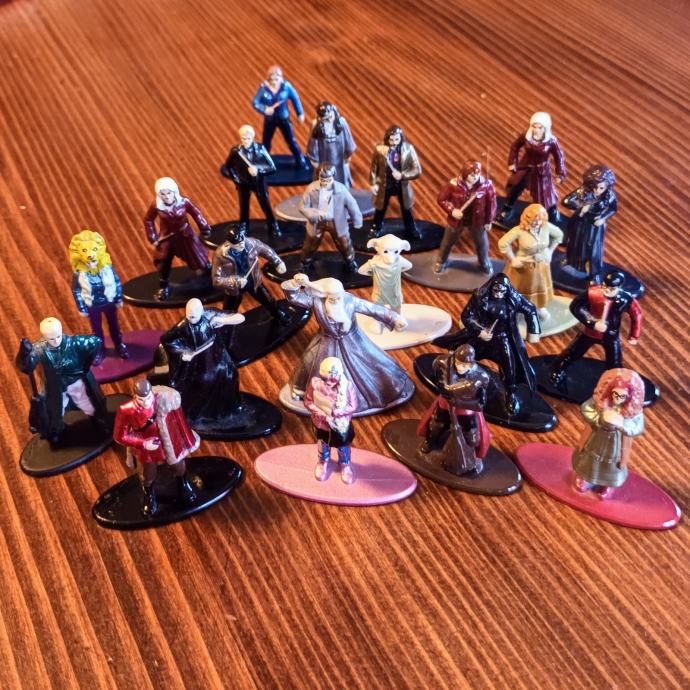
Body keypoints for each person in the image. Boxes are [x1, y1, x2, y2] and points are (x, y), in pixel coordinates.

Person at [281, 275, 412, 413]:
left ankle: (385, 390)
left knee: (371, 361)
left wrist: (395, 318)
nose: (336, 300)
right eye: (332, 298)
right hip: (326, 341)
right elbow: (294, 298)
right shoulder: (316, 301)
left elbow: (372, 309)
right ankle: (303, 391)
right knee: (309, 361)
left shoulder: (350, 301)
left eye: (339, 297)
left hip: (353, 341)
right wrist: (294, 284)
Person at [433, 273, 541, 415]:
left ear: (507, 290)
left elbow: (531, 309)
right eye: (496, 290)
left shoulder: (513, 299)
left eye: (502, 291)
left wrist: (534, 331)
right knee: (461, 357)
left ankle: (511, 394)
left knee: (510, 368)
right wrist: (480, 331)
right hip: (480, 338)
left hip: (503, 339)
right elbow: (467, 316)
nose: (499, 293)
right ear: (491, 288)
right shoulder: (480, 297)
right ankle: (452, 382)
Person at [113, 379, 199, 517]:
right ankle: (148, 493)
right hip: (145, 443)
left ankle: (183, 483)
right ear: (135, 396)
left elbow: (174, 403)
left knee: (178, 465)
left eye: (148, 397)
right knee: (147, 473)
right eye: (142, 399)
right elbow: (119, 436)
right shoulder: (126, 410)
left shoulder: (160, 398)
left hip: (167, 437)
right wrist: (143, 443)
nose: (146, 402)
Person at [16, 317, 107, 446]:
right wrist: (24, 355)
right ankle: (56, 430)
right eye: (51, 338)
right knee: (55, 410)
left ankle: (97, 419)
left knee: (86, 401)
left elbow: (96, 342)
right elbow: (26, 366)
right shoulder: (39, 349)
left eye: (58, 336)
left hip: (75, 382)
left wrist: (86, 364)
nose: (55, 341)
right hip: (55, 387)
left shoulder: (73, 343)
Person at [159, 299, 245, 428]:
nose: (191, 318)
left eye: (194, 315)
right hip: (198, 360)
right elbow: (166, 339)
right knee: (204, 382)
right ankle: (196, 415)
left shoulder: (209, 314)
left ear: (201, 311)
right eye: (189, 315)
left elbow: (240, 317)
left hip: (217, 354)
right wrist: (183, 353)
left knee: (230, 375)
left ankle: (227, 409)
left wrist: (222, 320)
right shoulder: (183, 326)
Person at [549, 271, 642, 386]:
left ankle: (613, 381)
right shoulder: (593, 293)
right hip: (590, 332)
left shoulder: (625, 299)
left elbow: (636, 314)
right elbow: (576, 306)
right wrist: (592, 322)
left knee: (614, 362)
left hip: (611, 335)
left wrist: (634, 335)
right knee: (573, 352)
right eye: (604, 286)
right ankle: (557, 369)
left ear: (619, 287)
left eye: (611, 288)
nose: (606, 290)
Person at [571, 368, 645, 499]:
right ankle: (586, 478)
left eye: (622, 396)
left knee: (612, 464)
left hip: (616, 443)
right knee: (590, 457)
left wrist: (622, 424)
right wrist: (601, 418)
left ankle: (606, 484)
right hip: (597, 437)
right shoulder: (601, 403)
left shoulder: (631, 412)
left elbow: (637, 426)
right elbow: (586, 408)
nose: (618, 399)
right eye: (615, 394)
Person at [418, 345, 491, 476]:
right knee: (437, 426)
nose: (461, 367)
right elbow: (442, 385)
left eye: (465, 365)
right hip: (445, 405)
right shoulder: (444, 364)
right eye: (459, 363)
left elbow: (480, 403)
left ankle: (470, 453)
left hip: (466, 410)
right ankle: (430, 442)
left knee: (471, 435)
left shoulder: (480, 376)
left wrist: (459, 401)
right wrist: (448, 391)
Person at [144, 177, 212, 301]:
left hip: (185, 235)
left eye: (168, 193)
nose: (166, 196)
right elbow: (148, 219)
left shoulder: (184, 202)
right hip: (167, 238)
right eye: (163, 194)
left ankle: (211, 275)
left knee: (199, 257)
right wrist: (152, 236)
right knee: (164, 262)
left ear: (174, 191)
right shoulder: (157, 206)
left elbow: (196, 213)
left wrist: (204, 227)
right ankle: (163, 287)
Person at [69, 229, 129, 364]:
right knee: (96, 329)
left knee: (114, 326)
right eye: (85, 251)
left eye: (94, 250)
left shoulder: (107, 268)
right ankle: (99, 350)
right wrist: (81, 307)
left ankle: (119, 344)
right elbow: (76, 290)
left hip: (109, 301)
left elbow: (116, 281)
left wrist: (119, 298)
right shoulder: (79, 273)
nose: (90, 257)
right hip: (92, 305)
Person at [497, 112, 566, 225]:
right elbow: (515, 146)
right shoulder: (526, 136)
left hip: (540, 172)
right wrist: (512, 162)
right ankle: (506, 209)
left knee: (544, 195)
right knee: (514, 188)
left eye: (540, 127)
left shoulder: (551, 141)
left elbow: (559, 156)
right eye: (534, 126)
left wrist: (561, 173)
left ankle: (551, 213)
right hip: (525, 168)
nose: (536, 130)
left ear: (545, 128)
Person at [497, 204, 563, 321]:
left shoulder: (546, 227)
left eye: (540, 220)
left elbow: (559, 235)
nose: (537, 223)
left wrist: (550, 252)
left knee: (540, 286)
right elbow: (503, 243)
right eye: (534, 220)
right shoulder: (519, 230)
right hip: (524, 266)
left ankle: (539, 307)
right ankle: (514, 308)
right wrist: (513, 259)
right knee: (520, 288)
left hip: (541, 265)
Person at [212, 225, 289, 322]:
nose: (241, 245)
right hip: (233, 287)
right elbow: (216, 281)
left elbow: (266, 250)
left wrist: (277, 262)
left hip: (254, 281)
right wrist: (236, 282)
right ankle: (227, 325)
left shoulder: (252, 243)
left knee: (268, 300)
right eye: (237, 244)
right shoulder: (220, 255)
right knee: (229, 311)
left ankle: (278, 314)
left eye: (242, 242)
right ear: (228, 243)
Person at [435, 160, 497, 275]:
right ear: (465, 174)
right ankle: (441, 261)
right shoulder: (453, 185)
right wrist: (452, 210)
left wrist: (489, 220)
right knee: (448, 241)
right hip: (457, 220)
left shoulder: (486, 186)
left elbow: (491, 204)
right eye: (472, 175)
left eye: (477, 174)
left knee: (481, 243)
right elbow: (442, 199)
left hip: (477, 220)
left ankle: (484, 262)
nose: (475, 177)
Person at [298, 164, 363, 272]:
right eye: (322, 179)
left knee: (344, 243)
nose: (325, 182)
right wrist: (313, 214)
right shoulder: (311, 189)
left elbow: (352, 204)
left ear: (333, 177)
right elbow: (302, 206)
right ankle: (305, 262)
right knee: (311, 243)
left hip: (336, 221)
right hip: (317, 222)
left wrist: (357, 219)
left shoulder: (341, 189)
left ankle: (350, 261)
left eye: (328, 180)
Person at [304, 357, 358, 484]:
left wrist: (338, 412)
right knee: (322, 443)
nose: (328, 382)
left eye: (332, 379)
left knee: (343, 446)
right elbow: (308, 401)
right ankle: (323, 461)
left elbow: (353, 406)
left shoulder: (347, 387)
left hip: (340, 425)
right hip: (321, 423)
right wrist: (319, 412)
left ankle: (345, 464)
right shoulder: (315, 384)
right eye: (324, 378)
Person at [561, 165, 618, 283]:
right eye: (594, 187)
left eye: (601, 188)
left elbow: (613, 209)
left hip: (594, 225)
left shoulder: (609, 195)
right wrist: (581, 205)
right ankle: (571, 261)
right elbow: (565, 202)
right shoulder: (583, 191)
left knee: (593, 248)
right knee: (575, 242)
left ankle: (593, 273)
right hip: (580, 221)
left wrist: (603, 218)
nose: (597, 191)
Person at [222, 125, 281, 236]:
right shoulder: (236, 151)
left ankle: (273, 224)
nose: (246, 141)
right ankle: (244, 225)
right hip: (243, 183)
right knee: (244, 206)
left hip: (259, 183)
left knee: (265, 204)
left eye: (248, 138)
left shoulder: (260, 149)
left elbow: (272, 167)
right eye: (243, 138)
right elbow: (228, 167)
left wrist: (258, 170)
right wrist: (237, 180)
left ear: (253, 138)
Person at [369, 124, 422, 239]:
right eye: (391, 140)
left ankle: (411, 228)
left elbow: (417, 170)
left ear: (401, 138)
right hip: (385, 183)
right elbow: (374, 168)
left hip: (402, 184)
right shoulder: (380, 149)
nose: (394, 143)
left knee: (406, 208)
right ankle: (376, 227)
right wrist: (373, 183)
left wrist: (402, 175)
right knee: (380, 207)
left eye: (397, 139)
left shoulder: (408, 149)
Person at [252, 65, 307, 167]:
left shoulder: (286, 87)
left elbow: (295, 98)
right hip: (270, 120)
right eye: (272, 78)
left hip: (284, 118)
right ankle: (264, 162)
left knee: (291, 140)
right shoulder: (264, 88)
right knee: (266, 142)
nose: (274, 81)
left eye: (277, 78)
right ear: (268, 78)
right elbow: (255, 103)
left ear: (281, 78)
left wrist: (300, 113)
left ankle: (300, 160)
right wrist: (264, 109)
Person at [358, 234, 412, 334]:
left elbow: (409, 265)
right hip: (379, 292)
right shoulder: (374, 263)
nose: (390, 256)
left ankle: (396, 321)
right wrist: (373, 274)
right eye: (386, 252)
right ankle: (377, 323)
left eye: (395, 252)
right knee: (378, 308)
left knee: (396, 307)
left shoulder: (400, 261)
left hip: (394, 292)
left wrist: (397, 271)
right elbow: (361, 270)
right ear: (377, 247)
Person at [306, 101, 356, 186]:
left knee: (341, 176)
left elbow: (348, 138)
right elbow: (313, 143)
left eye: (330, 116)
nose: (328, 120)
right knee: (324, 176)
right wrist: (314, 159)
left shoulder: (341, 122)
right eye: (325, 118)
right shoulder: (316, 125)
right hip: (324, 155)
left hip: (339, 155)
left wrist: (348, 154)